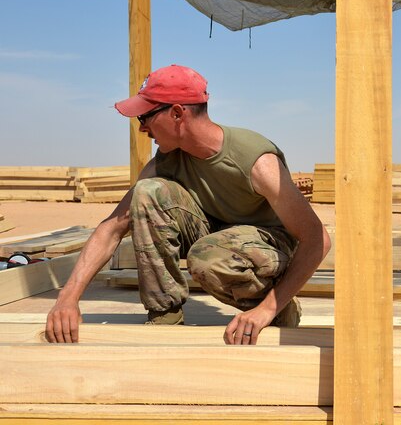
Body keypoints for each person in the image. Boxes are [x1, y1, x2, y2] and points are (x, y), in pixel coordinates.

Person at [46, 65, 331, 345]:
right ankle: (165, 316)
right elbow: (111, 229)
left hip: (266, 246)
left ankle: (281, 308)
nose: (143, 127)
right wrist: (67, 299)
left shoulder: (256, 161)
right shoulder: (168, 160)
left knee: (208, 257)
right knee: (147, 192)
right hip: (215, 238)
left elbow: (318, 239)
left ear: (178, 113)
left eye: (145, 116)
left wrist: (268, 308)